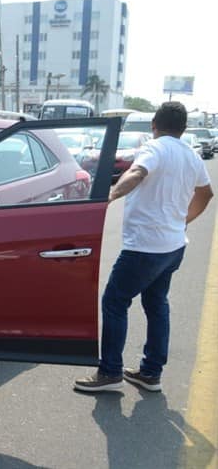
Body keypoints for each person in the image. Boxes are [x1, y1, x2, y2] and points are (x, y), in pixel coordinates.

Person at [74, 102, 213, 393]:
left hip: (145, 247)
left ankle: (110, 371)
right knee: (156, 304)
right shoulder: (191, 155)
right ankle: (151, 373)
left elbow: (136, 173)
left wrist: (110, 194)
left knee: (114, 302)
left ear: (154, 125)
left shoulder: (154, 148)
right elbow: (206, 193)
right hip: (173, 246)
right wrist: (183, 220)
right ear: (183, 129)